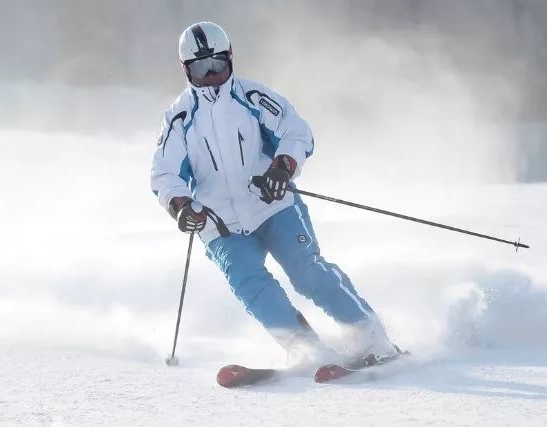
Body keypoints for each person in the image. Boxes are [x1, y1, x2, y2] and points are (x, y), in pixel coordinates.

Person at [150, 21, 398, 367]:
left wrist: (282, 167)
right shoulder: (178, 118)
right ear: (185, 70)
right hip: (219, 222)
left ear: (230, 58)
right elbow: (163, 173)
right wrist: (180, 206)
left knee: (306, 271)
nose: (211, 76)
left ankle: (371, 336)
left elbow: (297, 132)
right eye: (201, 68)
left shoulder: (252, 97)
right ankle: (309, 351)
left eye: (218, 65)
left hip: (273, 204)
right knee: (250, 283)